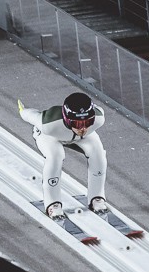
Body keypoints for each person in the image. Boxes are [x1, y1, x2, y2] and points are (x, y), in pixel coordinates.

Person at [18, 92, 108, 220]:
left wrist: (81, 125)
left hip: (81, 138)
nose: (83, 128)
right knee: (55, 156)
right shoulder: (48, 124)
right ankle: (52, 203)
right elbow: (30, 115)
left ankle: (97, 197)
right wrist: (22, 110)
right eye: (78, 124)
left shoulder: (98, 119)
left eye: (88, 122)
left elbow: (97, 112)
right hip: (51, 136)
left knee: (98, 153)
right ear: (67, 120)